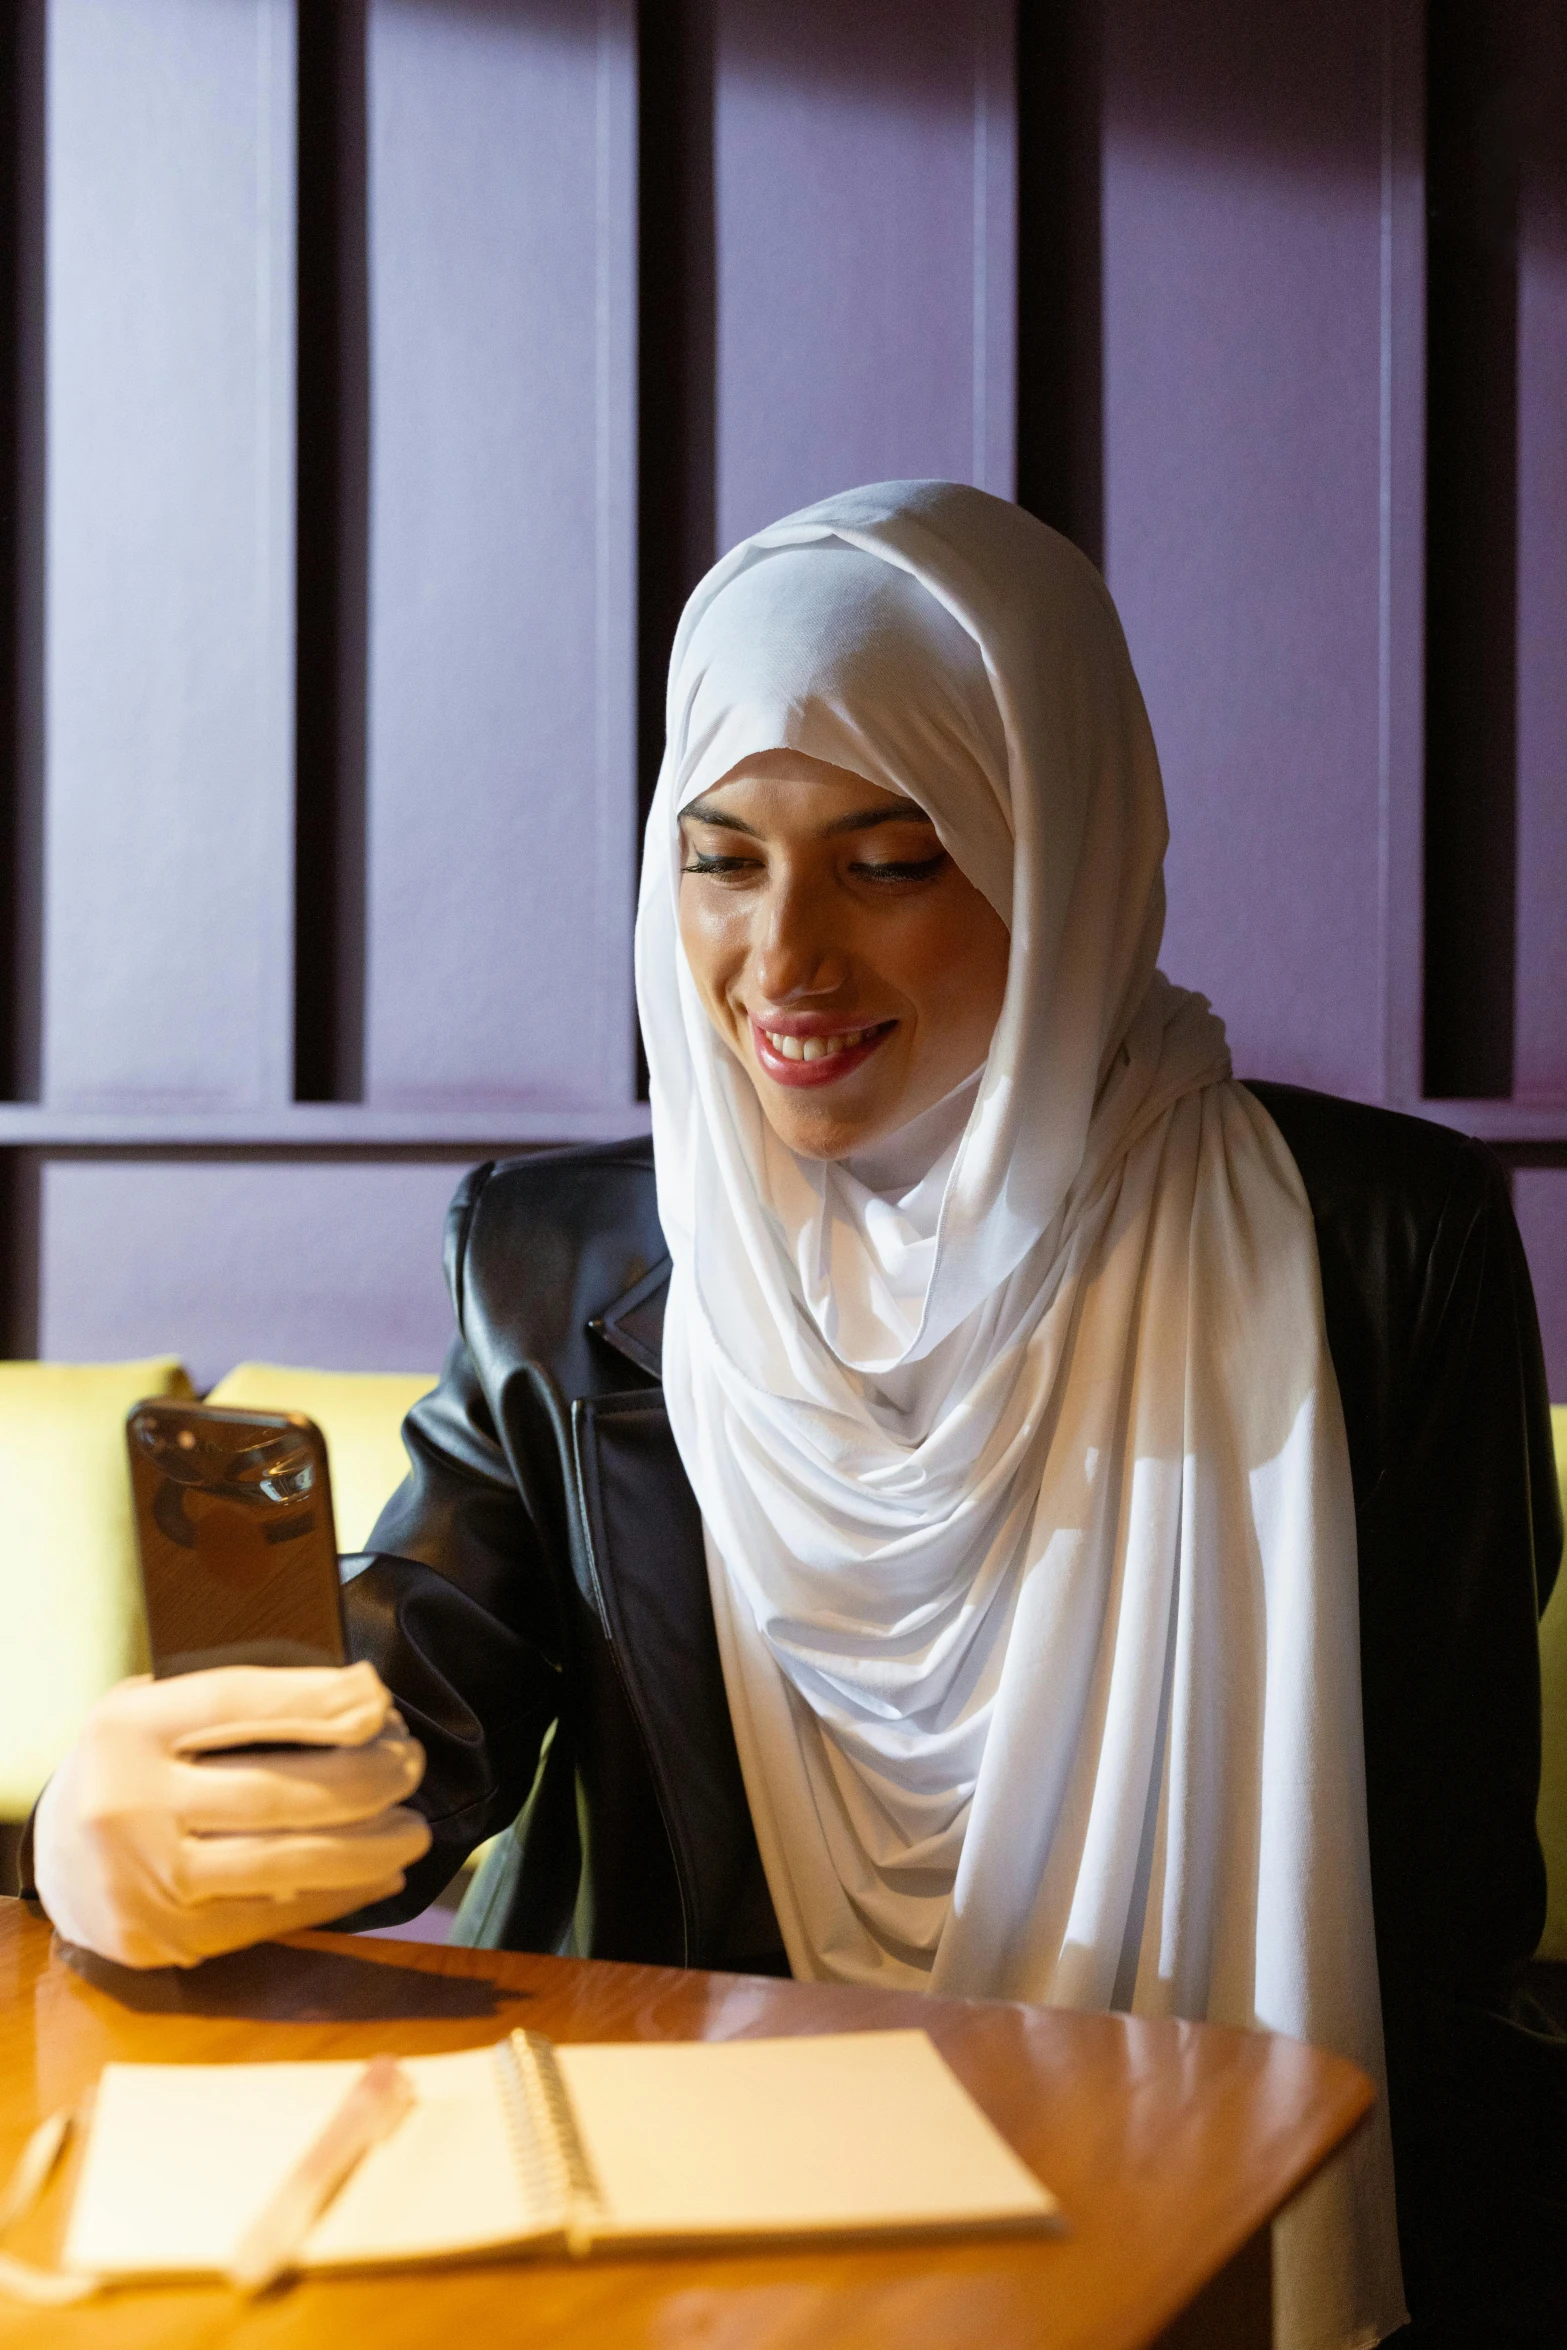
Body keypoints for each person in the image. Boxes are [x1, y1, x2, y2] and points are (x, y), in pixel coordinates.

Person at [27, 484, 1562, 2346]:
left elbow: (1456, 1885)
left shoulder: (1374, 1253)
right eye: (722, 857)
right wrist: (151, 1816)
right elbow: (424, 1687)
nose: (783, 961)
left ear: (1058, 845)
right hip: (691, 2222)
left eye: (892, 859)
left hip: (1223, 2205)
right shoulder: (566, 1257)